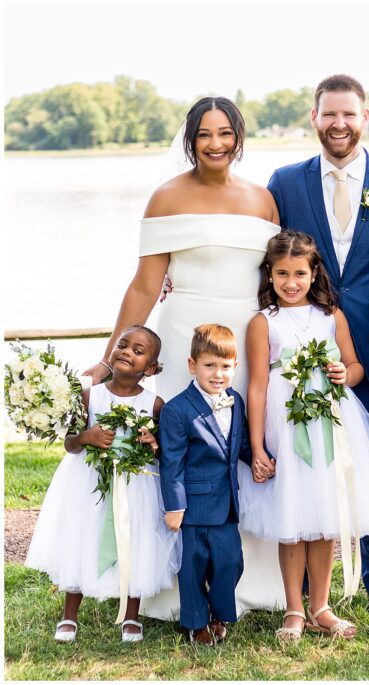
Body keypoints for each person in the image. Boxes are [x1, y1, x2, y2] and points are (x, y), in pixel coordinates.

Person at [80, 96, 284, 617]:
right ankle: (172, 581)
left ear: (239, 137)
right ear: (190, 140)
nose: (215, 144)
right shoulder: (166, 198)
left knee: (242, 442)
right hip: (182, 339)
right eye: (204, 134)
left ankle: (249, 581)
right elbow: (146, 285)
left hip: (246, 335)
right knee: (181, 452)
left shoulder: (263, 200)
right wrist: (109, 359)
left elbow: (276, 278)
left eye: (225, 133)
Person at [268, 74, 369, 606]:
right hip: (306, 351)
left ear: (365, 118)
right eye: (329, 114)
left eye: (348, 115)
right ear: (314, 118)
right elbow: (264, 257)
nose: (339, 124)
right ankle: (308, 592)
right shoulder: (285, 182)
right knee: (312, 459)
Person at [239, 231, 369, 642]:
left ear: (314, 274)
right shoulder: (264, 323)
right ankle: (294, 609)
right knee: (292, 513)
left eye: (298, 273)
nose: (290, 282)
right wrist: (257, 446)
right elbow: (256, 385)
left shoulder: (331, 316)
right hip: (285, 424)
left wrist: (347, 374)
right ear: (270, 275)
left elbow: (355, 366)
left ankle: (321, 607)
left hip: (332, 424)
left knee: (326, 515)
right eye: (281, 274)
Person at [26, 326, 177, 643]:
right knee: (80, 538)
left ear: (150, 368)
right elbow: (69, 443)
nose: (126, 352)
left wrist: (154, 441)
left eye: (138, 350)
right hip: (88, 485)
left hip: (138, 488)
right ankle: (69, 615)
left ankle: (131, 616)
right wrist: (87, 437)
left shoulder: (155, 404)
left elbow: (166, 450)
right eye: (122, 345)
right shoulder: (89, 396)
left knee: (137, 543)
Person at [159, 324, 252, 646]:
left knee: (231, 561)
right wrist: (175, 506)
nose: (217, 374)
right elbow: (172, 462)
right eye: (209, 365)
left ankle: (219, 611)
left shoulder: (236, 401)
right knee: (193, 567)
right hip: (193, 506)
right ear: (192, 365)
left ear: (235, 367)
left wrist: (259, 461)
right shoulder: (177, 409)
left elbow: (237, 446)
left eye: (225, 367)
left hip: (226, 504)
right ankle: (196, 623)